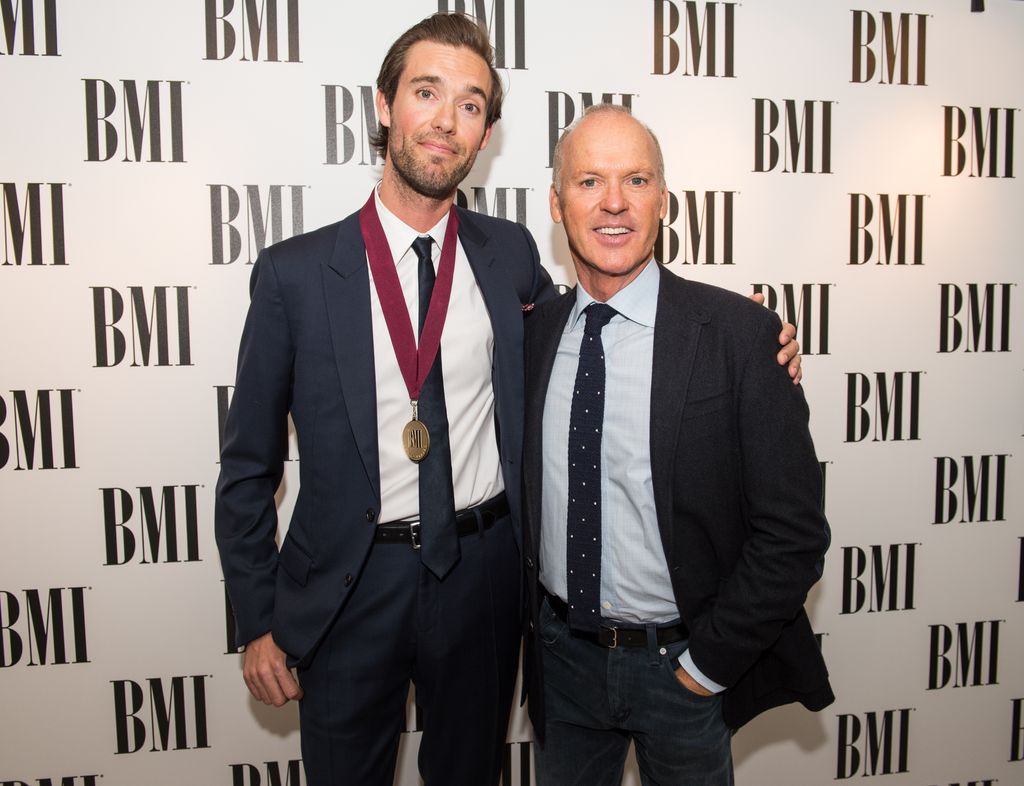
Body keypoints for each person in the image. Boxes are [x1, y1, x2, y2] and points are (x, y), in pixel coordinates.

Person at [215, 13, 802, 786]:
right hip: (349, 589)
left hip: (482, 575)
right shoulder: (293, 274)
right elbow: (248, 467)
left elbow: (608, 322)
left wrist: (760, 347)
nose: (445, 119)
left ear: (485, 134)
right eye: (427, 92)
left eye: (470, 104)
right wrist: (258, 618)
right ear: (385, 105)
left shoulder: (507, 256)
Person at [522, 104, 834, 786]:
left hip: (682, 670)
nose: (613, 203)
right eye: (588, 182)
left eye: (636, 180)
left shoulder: (741, 338)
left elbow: (794, 533)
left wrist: (707, 665)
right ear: (555, 201)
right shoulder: (534, 332)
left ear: (664, 199)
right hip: (561, 663)